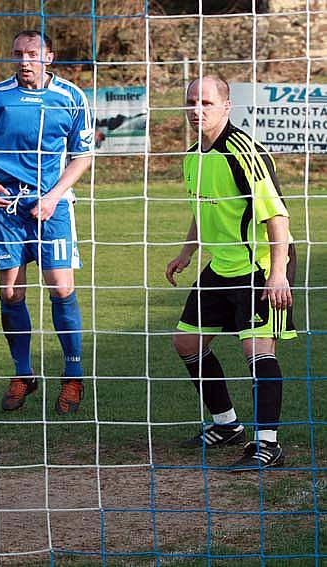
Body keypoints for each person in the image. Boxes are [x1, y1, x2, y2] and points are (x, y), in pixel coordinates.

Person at [166, 76, 296, 469]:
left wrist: (278, 274)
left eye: (206, 102)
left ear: (226, 107)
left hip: (259, 266)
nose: (196, 110)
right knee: (186, 344)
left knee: (256, 350)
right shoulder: (193, 156)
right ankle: (226, 426)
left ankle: (267, 444)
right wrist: (187, 252)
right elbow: (204, 208)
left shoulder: (243, 153)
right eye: (191, 102)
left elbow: (277, 217)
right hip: (221, 267)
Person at [0, 30, 93, 415]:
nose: (24, 60)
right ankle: (23, 373)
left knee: (61, 288)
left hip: (53, 206)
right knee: (10, 294)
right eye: (18, 53)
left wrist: (54, 196)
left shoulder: (70, 97)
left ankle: (73, 375)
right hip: (6, 207)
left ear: (49, 57)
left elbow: (82, 155)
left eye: (32, 54)